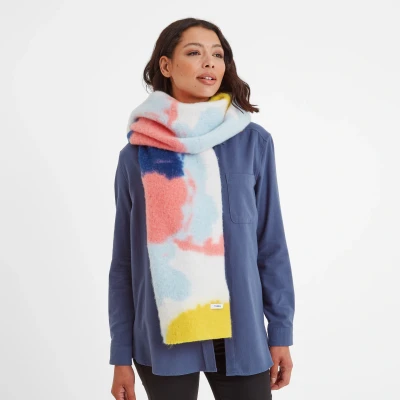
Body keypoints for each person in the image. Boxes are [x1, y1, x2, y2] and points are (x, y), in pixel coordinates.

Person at [109, 17, 295, 400]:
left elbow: (270, 244)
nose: (209, 62)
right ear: (166, 65)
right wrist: (120, 354)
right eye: (194, 53)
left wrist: (280, 332)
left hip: (241, 333)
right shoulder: (137, 155)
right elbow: (125, 262)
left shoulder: (253, 143)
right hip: (163, 338)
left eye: (217, 55)